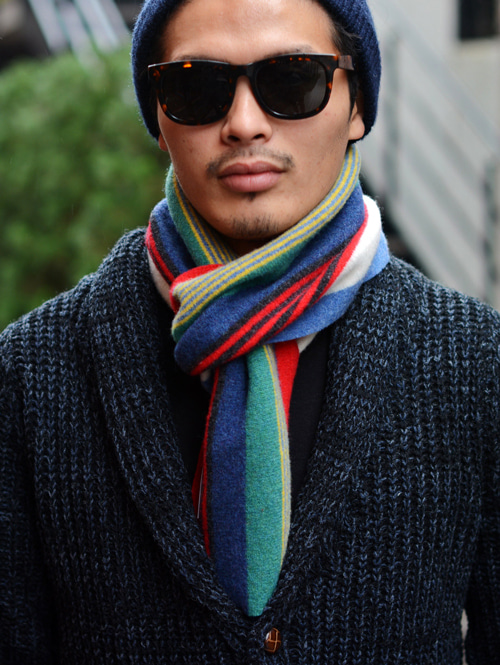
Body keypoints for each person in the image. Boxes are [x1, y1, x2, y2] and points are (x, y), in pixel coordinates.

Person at [1, 0, 499, 661]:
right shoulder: (31, 372)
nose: (243, 123)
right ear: (158, 117)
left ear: (357, 106)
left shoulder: (474, 359)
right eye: (195, 88)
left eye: (293, 79)